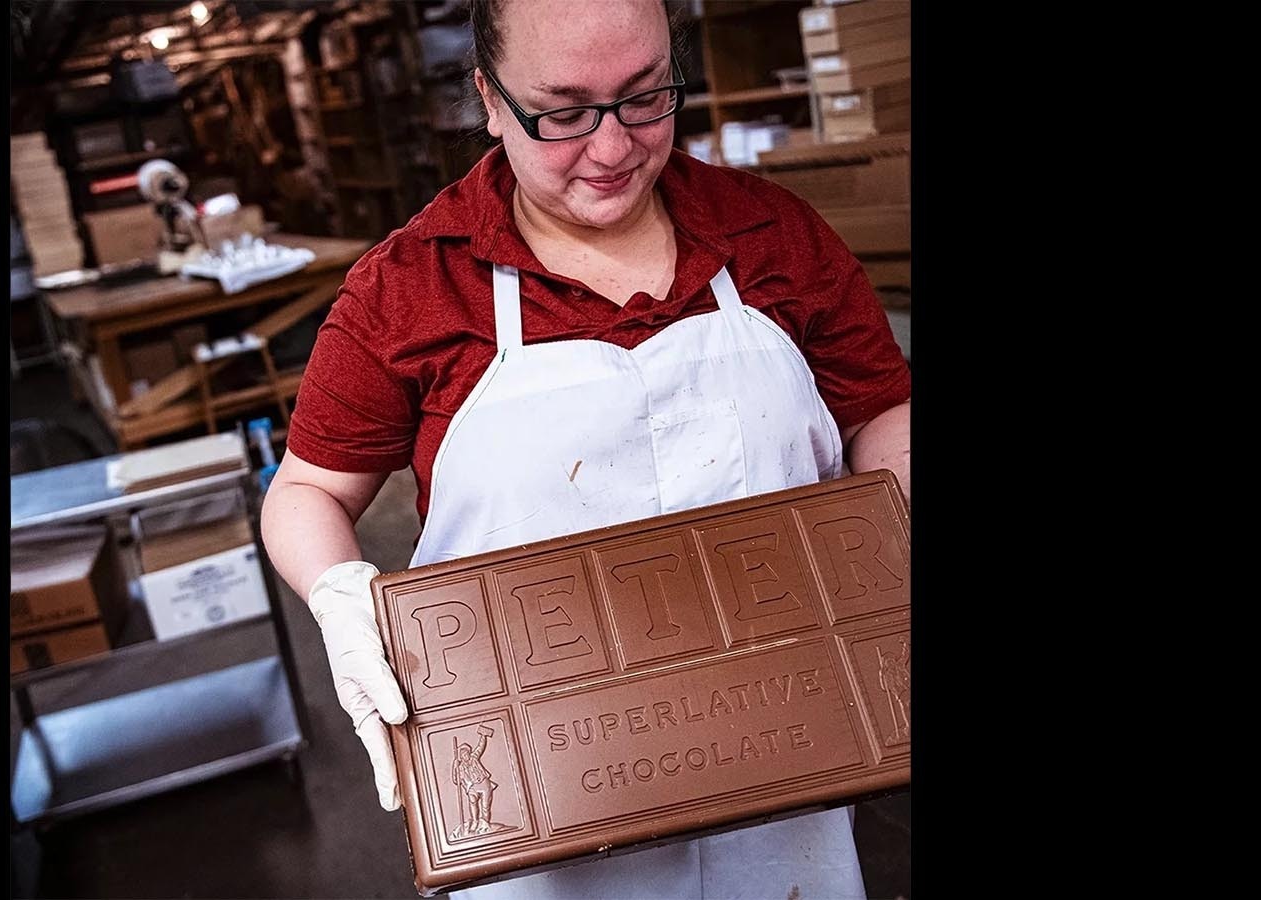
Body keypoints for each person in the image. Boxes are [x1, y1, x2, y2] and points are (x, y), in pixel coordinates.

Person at [260, 0, 910, 895]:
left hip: (790, 771)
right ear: (490, 100)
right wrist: (341, 597)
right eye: (562, 115)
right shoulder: (413, 286)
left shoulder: (773, 236)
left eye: (645, 99)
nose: (611, 150)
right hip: (540, 803)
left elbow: (882, 410)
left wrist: (894, 565)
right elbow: (306, 493)